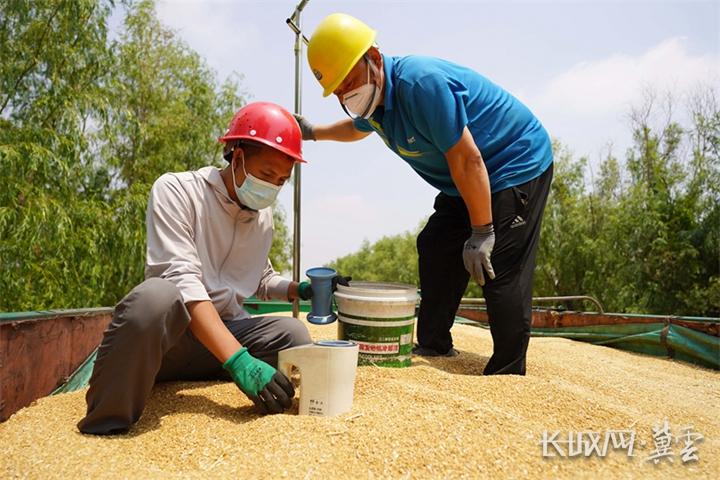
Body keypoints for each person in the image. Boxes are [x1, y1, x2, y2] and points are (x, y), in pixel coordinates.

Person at [296, 14, 554, 375]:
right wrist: (312, 132)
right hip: (463, 176)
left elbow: (468, 158)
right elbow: (358, 129)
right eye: (338, 90)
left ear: (373, 56)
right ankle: (434, 342)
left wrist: (482, 231)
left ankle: (508, 371)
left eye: (349, 81)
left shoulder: (420, 84)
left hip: (511, 162)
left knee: (499, 265)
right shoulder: (374, 102)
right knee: (435, 244)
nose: (346, 94)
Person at [78, 102, 317, 435]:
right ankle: (108, 420)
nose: (272, 187)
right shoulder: (177, 190)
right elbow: (182, 281)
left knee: (294, 334)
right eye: (265, 175)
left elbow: (260, 278)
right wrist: (240, 361)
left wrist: (299, 290)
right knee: (155, 298)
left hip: (223, 335)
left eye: (281, 180)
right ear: (237, 159)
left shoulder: (262, 220)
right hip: (173, 341)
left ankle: (218, 365)